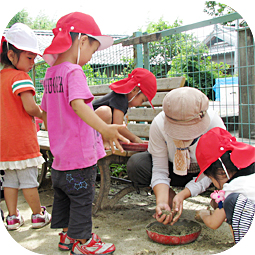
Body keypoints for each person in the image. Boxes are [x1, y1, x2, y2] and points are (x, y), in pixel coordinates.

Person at [41, 12, 129, 255]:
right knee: (81, 200)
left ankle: (67, 237)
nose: (91, 57)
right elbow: (78, 104)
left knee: (65, 197)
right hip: (79, 159)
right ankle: (84, 243)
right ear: (81, 40)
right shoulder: (73, 71)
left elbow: (46, 114)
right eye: (93, 49)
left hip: (60, 159)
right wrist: (104, 129)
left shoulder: (50, 75)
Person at [127, 86, 226, 225]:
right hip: (173, 170)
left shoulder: (214, 125)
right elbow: (160, 169)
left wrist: (184, 194)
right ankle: (170, 197)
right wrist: (162, 201)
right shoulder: (159, 124)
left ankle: (220, 202)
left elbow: (213, 169)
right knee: (137, 163)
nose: (184, 138)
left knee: (230, 167)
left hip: (204, 173)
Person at [0, 23, 51, 230]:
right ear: (12, 55)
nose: (32, 63)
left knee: (10, 181)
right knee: (29, 180)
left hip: (4, 142)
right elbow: (30, 108)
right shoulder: (20, 77)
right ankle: (38, 215)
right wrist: (44, 114)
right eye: (29, 58)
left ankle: (12, 218)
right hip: (22, 140)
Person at [194, 127, 255, 244]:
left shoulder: (233, 188)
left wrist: (204, 215)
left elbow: (213, 223)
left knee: (233, 202)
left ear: (222, 172)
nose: (214, 185)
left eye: (211, 179)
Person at [93, 68, 157, 143]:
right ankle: (104, 143)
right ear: (135, 90)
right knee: (105, 111)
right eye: (142, 100)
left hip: (91, 129)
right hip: (86, 127)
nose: (140, 104)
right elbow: (118, 126)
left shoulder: (122, 99)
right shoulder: (121, 98)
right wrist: (135, 138)